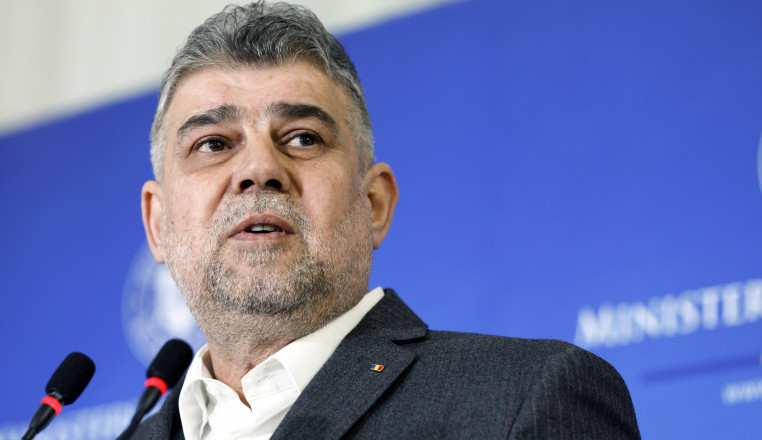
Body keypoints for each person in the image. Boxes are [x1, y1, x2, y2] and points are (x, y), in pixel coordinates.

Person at [134, 1, 641, 439]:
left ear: (374, 203)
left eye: (303, 138)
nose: (259, 169)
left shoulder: (528, 394)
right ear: (158, 224)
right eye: (213, 144)